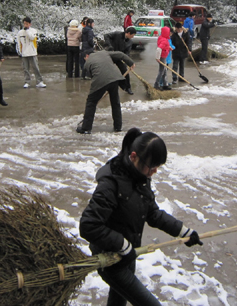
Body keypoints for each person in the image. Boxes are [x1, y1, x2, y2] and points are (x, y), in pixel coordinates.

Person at [80, 127, 203, 305]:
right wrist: (122, 245)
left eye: (157, 167)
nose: (154, 171)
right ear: (133, 156)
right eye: (152, 166)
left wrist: (184, 232)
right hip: (110, 261)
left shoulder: (140, 177)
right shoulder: (110, 184)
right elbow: (88, 225)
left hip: (128, 255)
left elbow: (152, 213)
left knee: (117, 302)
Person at [77, 50, 135, 134]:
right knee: (115, 103)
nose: (85, 60)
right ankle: (118, 127)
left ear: (87, 56)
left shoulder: (87, 63)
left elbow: (93, 76)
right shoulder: (104, 53)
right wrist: (131, 63)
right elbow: (120, 54)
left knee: (91, 102)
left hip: (101, 80)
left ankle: (86, 128)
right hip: (115, 78)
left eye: (84, 58)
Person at [104, 27, 137, 94]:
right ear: (128, 33)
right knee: (107, 71)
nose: (133, 37)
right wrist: (109, 46)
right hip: (111, 55)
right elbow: (106, 36)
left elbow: (127, 53)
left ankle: (127, 88)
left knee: (124, 70)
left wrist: (128, 63)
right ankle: (105, 87)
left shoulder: (130, 42)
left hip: (120, 58)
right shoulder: (117, 34)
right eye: (132, 35)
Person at [16, 17, 46, 89]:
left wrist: (28, 31)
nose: (25, 25)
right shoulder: (20, 32)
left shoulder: (33, 31)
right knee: (26, 68)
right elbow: (18, 42)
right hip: (24, 52)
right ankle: (27, 82)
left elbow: (32, 38)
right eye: (24, 24)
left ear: (30, 24)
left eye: (27, 24)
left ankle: (39, 81)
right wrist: (19, 51)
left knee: (35, 67)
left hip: (32, 52)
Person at [154, 27, 171, 91]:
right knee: (161, 71)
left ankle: (165, 84)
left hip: (163, 56)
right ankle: (156, 85)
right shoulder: (164, 40)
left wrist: (168, 47)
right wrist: (157, 58)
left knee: (164, 70)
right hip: (162, 57)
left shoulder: (161, 37)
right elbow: (159, 49)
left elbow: (163, 46)